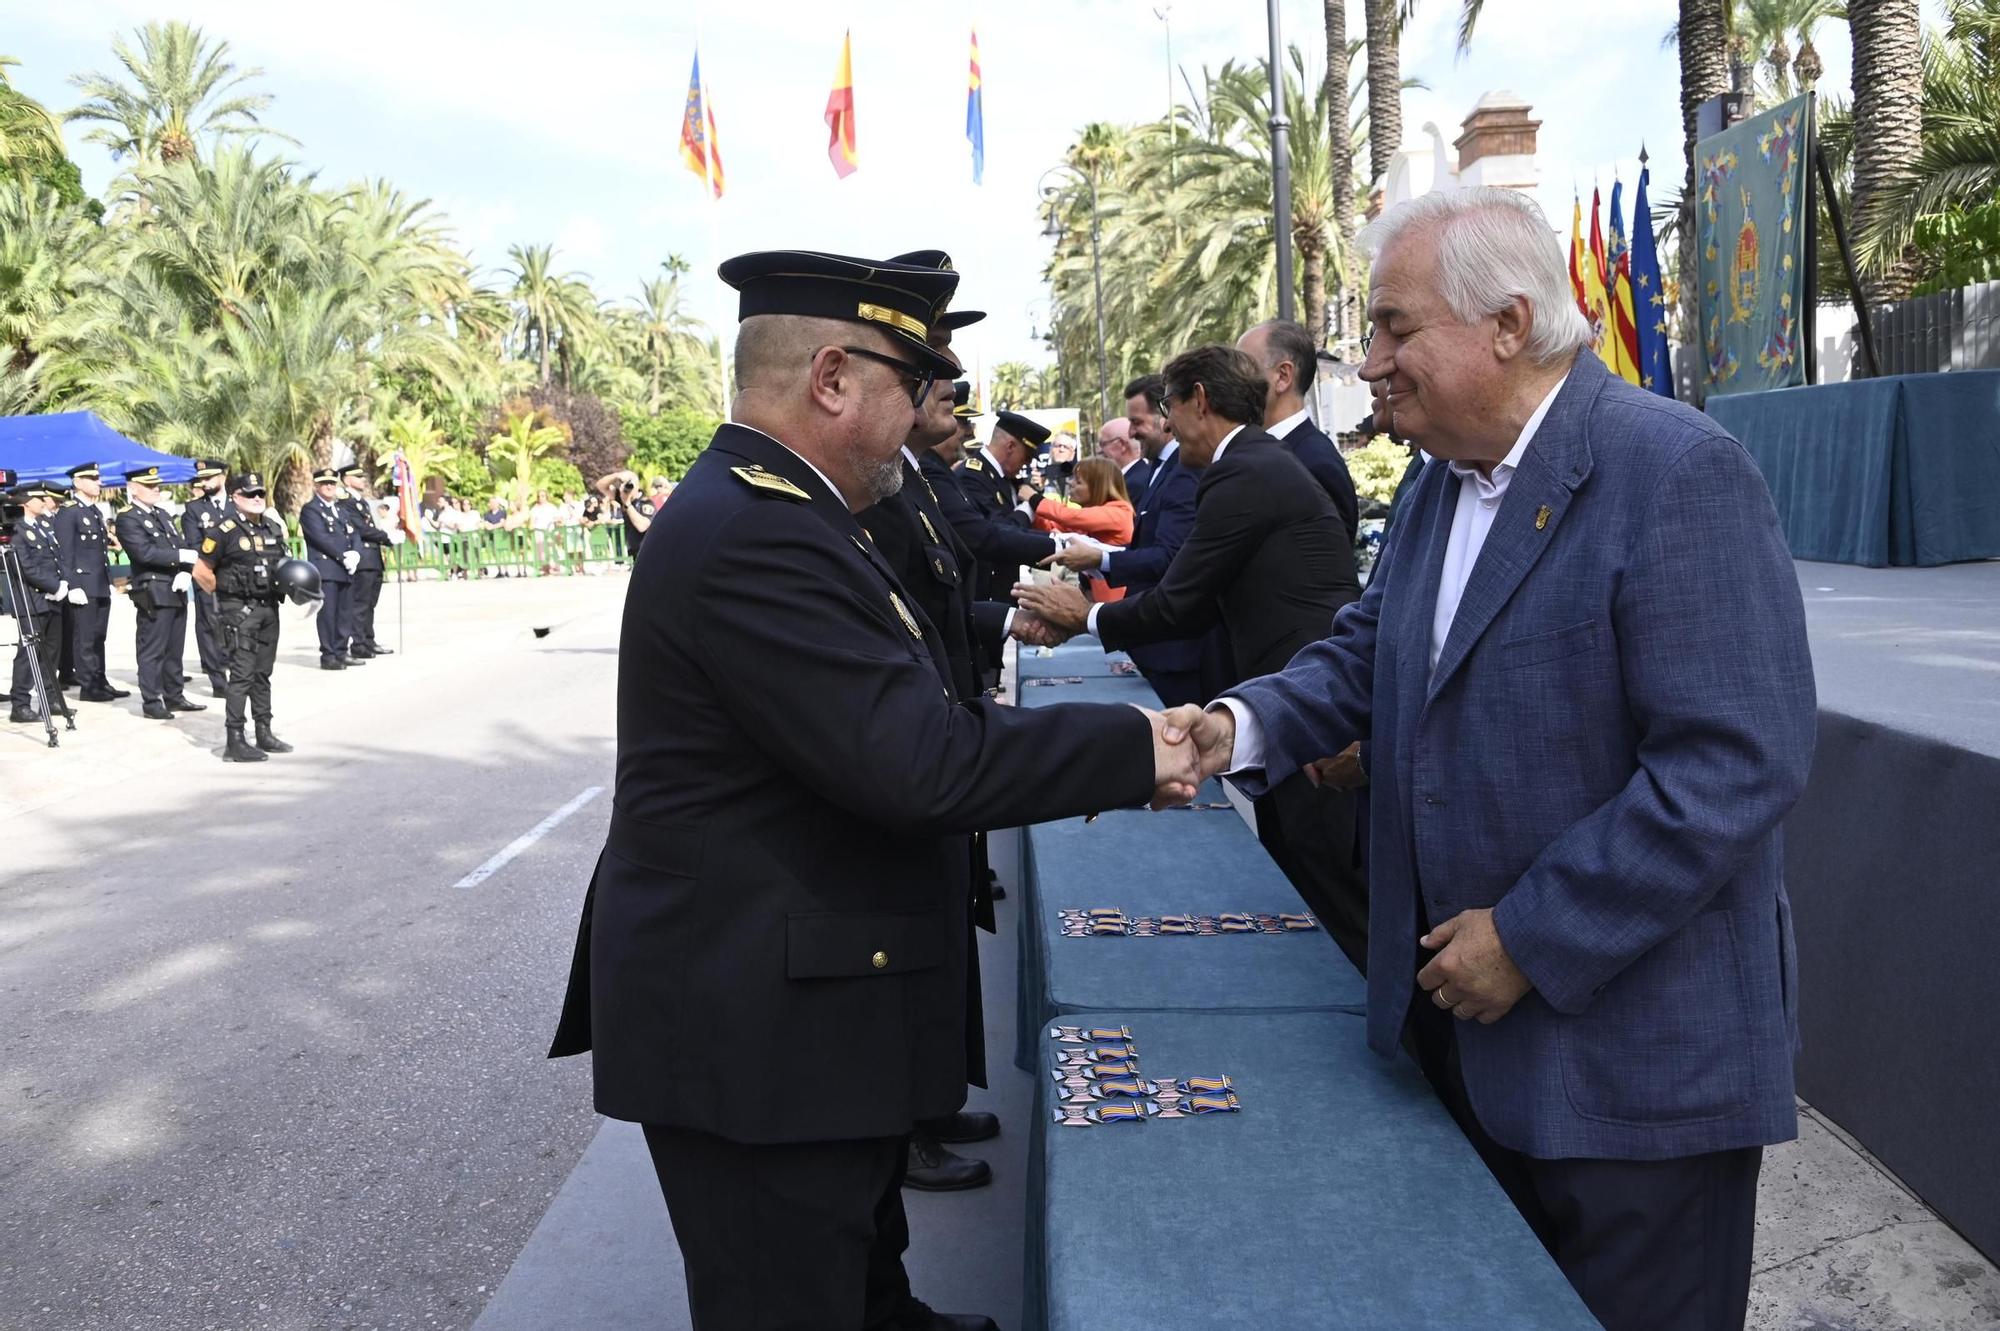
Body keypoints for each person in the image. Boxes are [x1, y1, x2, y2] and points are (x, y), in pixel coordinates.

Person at [1162, 188, 1817, 1331]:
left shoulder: (1673, 469)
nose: (1369, 362)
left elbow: (1731, 763)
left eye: (1394, 328)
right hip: (1459, 1043)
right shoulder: (1438, 477)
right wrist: (1234, 728)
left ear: (1506, 323)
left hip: (1632, 1071)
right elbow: (1366, 651)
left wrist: (1527, 935)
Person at [548, 248, 1198, 1331]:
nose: (920, 415)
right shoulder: (758, 530)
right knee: (787, 1293)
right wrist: (1140, 750)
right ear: (833, 378)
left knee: (848, 1259)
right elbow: (916, 756)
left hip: (795, 997)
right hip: (756, 1024)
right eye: (912, 384)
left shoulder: (790, 510)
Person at [1011, 345, 1366, 960]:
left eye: (1170, 406)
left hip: (1309, 698)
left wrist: (1084, 617)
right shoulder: (1251, 462)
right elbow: (1195, 599)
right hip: (1290, 688)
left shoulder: (1243, 470)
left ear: (1199, 399)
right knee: (1299, 863)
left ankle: (1366, 1009)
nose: (1167, 424)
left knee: (1325, 872)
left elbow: (1181, 600)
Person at [1043, 375, 1203, 705]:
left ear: (1165, 416)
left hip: (1174, 647)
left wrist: (1100, 560)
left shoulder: (1184, 470)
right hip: (1152, 640)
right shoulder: (1163, 468)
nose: (1131, 433)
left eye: (1137, 422)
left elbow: (1170, 557)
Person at [193, 471, 295, 762]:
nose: (257, 498)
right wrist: (227, 598)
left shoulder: (272, 527)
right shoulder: (224, 530)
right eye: (250, 494)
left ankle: (264, 730)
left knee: (263, 673)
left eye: (260, 493)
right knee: (241, 676)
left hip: (269, 608)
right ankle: (234, 739)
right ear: (235, 497)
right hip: (240, 612)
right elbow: (201, 572)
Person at [1238, 319, 1360, 542]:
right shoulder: (1262, 451)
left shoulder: (1315, 463)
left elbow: (1328, 555)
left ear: (1283, 376)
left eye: (1243, 369)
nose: (1233, 382)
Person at [114, 465, 205, 720]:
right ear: (133, 489)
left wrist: (185, 570)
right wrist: (180, 557)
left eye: (156, 485)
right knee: (153, 649)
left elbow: (181, 545)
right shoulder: (128, 518)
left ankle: (174, 696)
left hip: (176, 587)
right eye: (149, 485)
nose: (156, 489)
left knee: (174, 648)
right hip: (153, 589)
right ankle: (152, 700)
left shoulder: (162, 514)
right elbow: (143, 553)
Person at [953, 410, 1058, 603]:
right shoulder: (972, 476)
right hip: (984, 594)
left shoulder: (1005, 478)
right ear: (1010, 446)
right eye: (1026, 457)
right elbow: (998, 530)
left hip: (1004, 587)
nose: (1026, 464)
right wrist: (1027, 508)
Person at [51, 462, 124, 702]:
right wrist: (73, 585)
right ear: (77, 482)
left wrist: (108, 580)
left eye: (97, 478)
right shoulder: (69, 512)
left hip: (99, 583)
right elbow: (65, 554)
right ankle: (88, 686)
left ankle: (100, 680)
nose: (98, 482)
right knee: (85, 638)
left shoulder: (94, 511)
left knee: (99, 637)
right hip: (83, 585)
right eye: (92, 478)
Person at [7, 482, 72, 724]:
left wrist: (64, 583)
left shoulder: (44, 526)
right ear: (26, 502)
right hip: (31, 601)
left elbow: (57, 559)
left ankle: (50, 699)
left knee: (51, 653)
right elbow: (25, 567)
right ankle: (20, 704)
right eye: (39, 498)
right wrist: (54, 586)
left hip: (52, 599)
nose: (44, 502)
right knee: (29, 654)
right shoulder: (16, 530)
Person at [301, 467, 362, 669]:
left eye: (332, 483)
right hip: (327, 568)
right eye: (324, 483)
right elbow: (320, 538)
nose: (329, 486)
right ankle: (329, 655)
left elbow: (354, 533)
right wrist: (342, 556)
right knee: (328, 614)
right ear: (316, 486)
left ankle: (341, 651)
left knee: (345, 612)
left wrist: (356, 553)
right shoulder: (311, 510)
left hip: (346, 568)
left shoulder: (340, 510)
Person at [180, 457, 232, 695]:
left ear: (223, 476)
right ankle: (218, 681)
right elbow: (195, 545)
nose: (205, 482)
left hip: (237, 576)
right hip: (208, 575)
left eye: (210, 477)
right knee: (209, 627)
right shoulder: (194, 509)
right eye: (202, 479)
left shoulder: (237, 503)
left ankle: (239, 673)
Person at [339, 464, 395, 657]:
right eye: (358, 477)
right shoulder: (346, 502)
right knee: (360, 604)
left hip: (372, 558)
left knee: (370, 603)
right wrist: (386, 536)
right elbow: (360, 529)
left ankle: (368, 640)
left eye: (363, 476)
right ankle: (359, 644)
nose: (363, 480)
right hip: (362, 558)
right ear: (347, 480)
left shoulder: (360, 501)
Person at [1095, 416, 1154, 509]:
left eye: (1103, 444)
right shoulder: (1145, 474)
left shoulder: (1132, 485)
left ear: (1121, 445)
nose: (1099, 451)